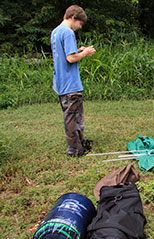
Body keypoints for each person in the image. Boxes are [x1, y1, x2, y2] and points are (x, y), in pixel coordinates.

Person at [51, 5, 96, 156]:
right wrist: (86, 53)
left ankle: (79, 143)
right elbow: (70, 59)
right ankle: (75, 150)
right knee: (73, 116)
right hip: (70, 83)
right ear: (73, 18)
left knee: (71, 114)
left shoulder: (55, 32)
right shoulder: (68, 33)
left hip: (60, 82)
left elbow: (65, 55)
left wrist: (79, 51)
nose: (79, 27)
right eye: (80, 24)